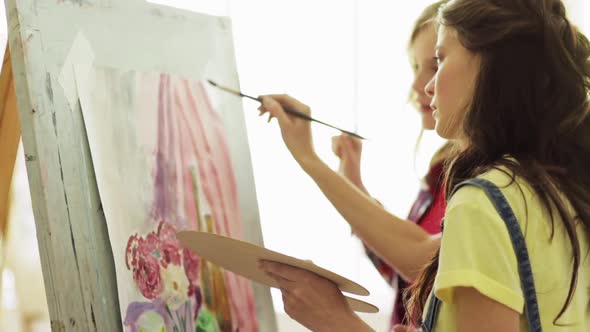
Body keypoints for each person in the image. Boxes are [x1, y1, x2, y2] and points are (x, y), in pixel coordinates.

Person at [258, 0, 590, 331]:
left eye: (439, 59)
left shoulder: (484, 202)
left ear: (491, 67)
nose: (425, 86)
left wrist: (337, 321)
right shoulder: (560, 192)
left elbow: (416, 256)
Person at [331, 0, 450, 328]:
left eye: (436, 64)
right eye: (415, 67)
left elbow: (418, 262)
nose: (418, 86)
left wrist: (307, 158)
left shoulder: (486, 181)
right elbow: (400, 272)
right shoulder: (440, 173)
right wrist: (352, 179)